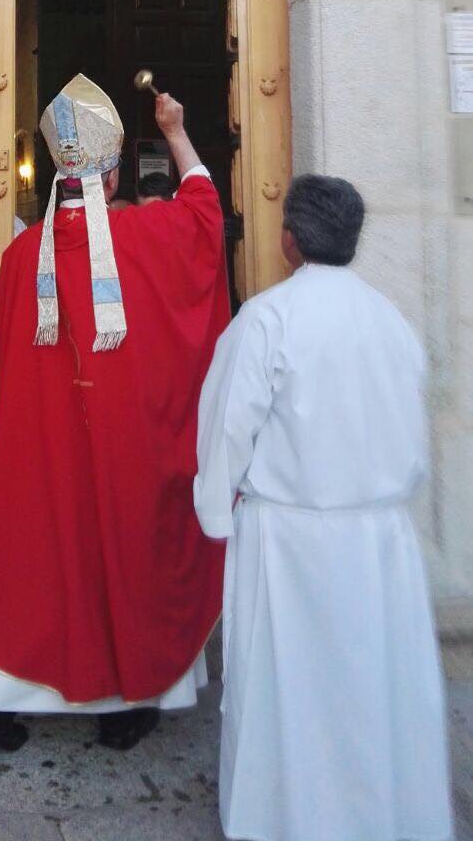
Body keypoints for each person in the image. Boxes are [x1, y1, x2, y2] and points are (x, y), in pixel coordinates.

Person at [0, 74, 230, 752]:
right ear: (111, 179)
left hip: (41, 442)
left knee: (34, 558)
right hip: (122, 446)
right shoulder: (149, 234)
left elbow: (3, 343)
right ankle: (126, 700)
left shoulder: (23, 255)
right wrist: (173, 129)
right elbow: (204, 214)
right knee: (123, 548)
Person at [194, 173, 453, 841]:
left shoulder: (267, 320)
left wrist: (215, 514)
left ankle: (287, 818)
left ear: (288, 241)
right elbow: (415, 443)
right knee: (375, 691)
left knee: (291, 694)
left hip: (290, 540)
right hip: (379, 543)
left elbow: (226, 428)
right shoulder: (392, 322)